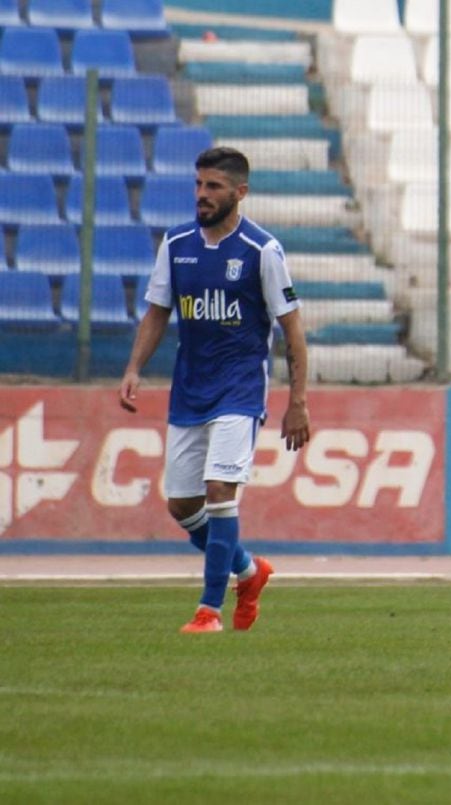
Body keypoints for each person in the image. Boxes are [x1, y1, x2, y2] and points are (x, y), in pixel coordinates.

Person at [119, 146, 310, 634]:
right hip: (190, 388)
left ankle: (209, 610)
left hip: (240, 390)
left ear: (240, 193)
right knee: (182, 505)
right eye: (199, 185)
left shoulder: (261, 251)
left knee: (220, 491)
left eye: (214, 187)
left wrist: (298, 404)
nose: (202, 195)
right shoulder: (176, 242)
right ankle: (248, 571)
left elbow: (292, 330)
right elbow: (158, 310)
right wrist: (135, 368)